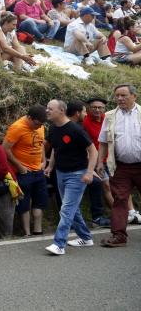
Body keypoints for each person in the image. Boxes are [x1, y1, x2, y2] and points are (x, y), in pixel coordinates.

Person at [43, 99, 97, 255]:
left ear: (61, 110)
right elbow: (55, 149)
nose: (47, 111)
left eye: (50, 108)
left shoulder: (75, 129)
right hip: (61, 172)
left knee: (66, 209)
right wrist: (50, 166)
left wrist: (89, 172)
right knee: (71, 208)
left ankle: (59, 244)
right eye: (47, 108)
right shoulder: (53, 129)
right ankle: (86, 237)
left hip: (78, 174)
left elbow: (93, 151)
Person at [97, 84, 141, 247]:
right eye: (117, 96)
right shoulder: (109, 116)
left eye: (124, 95)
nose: (120, 99)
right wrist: (100, 162)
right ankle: (119, 236)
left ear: (134, 96)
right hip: (120, 167)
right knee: (120, 199)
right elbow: (102, 142)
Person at [3, 105, 48, 237]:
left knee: (40, 201)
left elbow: (41, 144)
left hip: (38, 170)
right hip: (23, 171)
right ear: (29, 117)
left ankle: (38, 231)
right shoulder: (17, 127)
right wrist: (20, 166)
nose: (38, 127)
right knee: (24, 203)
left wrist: (44, 160)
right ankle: (27, 233)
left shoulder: (40, 126)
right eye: (36, 124)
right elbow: (5, 149)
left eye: (41, 125)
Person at [82, 97, 113, 227]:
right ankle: (119, 214)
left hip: (111, 159)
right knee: (105, 186)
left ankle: (127, 213)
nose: (97, 110)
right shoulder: (84, 122)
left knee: (116, 187)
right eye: (94, 107)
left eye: (100, 107)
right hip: (96, 160)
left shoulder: (108, 119)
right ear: (88, 109)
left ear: (104, 109)